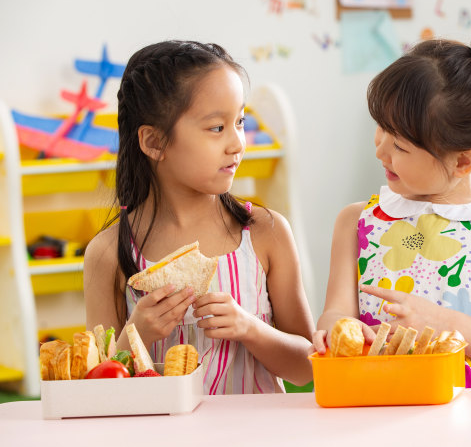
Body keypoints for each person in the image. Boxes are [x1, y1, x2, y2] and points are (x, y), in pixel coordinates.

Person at [311, 31, 471, 388]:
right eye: (381, 128)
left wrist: (443, 322)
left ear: (462, 162)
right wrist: (335, 329)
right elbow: (334, 313)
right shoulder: (356, 223)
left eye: (401, 147)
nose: (380, 150)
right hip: (374, 407)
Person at [83, 40, 314, 394]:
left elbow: (306, 367)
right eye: (217, 128)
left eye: (239, 122)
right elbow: (96, 388)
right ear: (154, 142)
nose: (237, 143)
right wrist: (137, 335)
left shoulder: (265, 233)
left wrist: (249, 328)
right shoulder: (108, 253)